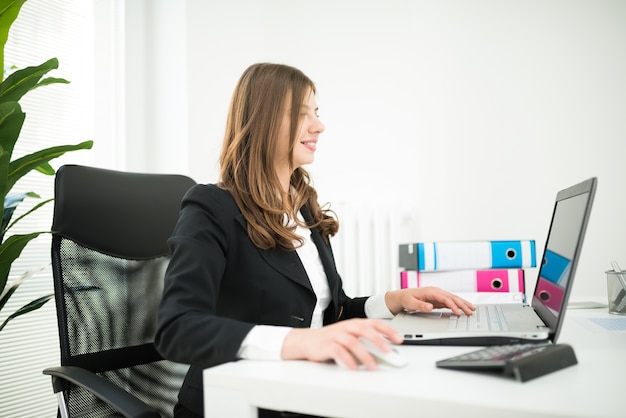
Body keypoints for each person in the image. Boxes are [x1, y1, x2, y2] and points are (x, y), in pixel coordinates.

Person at [155, 62, 476, 418]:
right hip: (235, 404)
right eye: (301, 113)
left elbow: (328, 314)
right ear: (261, 120)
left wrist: (393, 301)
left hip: (301, 394)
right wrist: (300, 342)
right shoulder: (211, 206)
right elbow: (177, 327)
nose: (319, 125)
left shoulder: (303, 205)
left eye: (317, 113)